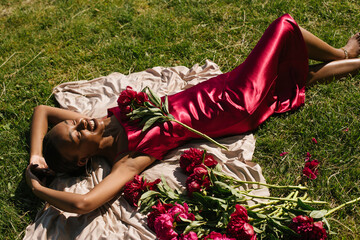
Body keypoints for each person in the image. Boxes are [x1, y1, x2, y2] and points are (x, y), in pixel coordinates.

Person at [26, 14, 360, 215]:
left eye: (71, 122)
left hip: (221, 87)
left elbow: (42, 110)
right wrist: (39, 190)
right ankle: (344, 51)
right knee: (285, 26)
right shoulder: (128, 156)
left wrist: (37, 157)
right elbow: (85, 204)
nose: (80, 122)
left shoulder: (102, 119)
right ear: (84, 159)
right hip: (238, 103)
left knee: (296, 77)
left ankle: (353, 61)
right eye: (76, 135)